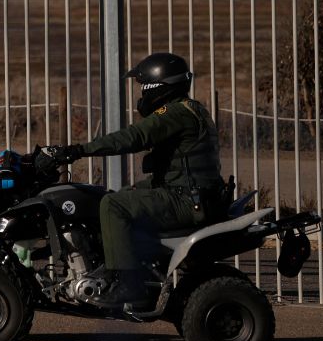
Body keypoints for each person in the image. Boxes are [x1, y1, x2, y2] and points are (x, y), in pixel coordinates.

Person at [39, 52, 226, 308]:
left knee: (112, 205)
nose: (141, 93)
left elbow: (133, 137)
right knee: (112, 196)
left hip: (185, 198)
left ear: (157, 86)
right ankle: (120, 265)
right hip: (191, 192)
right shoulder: (190, 108)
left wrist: (78, 150)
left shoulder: (174, 113)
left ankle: (127, 283)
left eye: (143, 86)